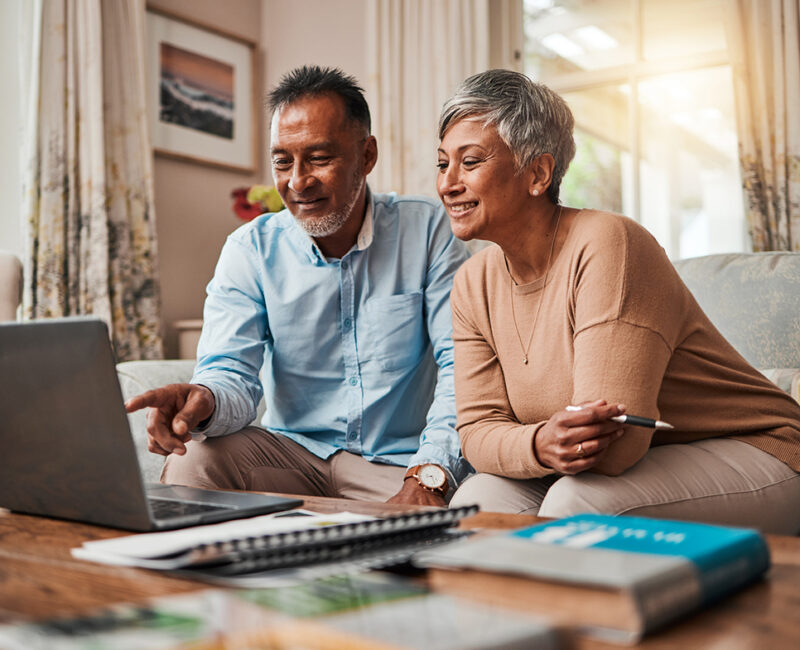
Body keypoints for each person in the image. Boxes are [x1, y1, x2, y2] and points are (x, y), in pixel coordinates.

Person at [439, 69, 800, 534]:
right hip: (632, 463)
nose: (448, 183)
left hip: (760, 449)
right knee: (475, 503)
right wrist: (539, 444)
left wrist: (540, 443)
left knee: (577, 504)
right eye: (442, 163)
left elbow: (614, 448)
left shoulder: (610, 243)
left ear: (538, 173)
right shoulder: (472, 283)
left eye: (469, 163)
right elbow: (476, 432)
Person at [126, 66, 471, 506]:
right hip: (291, 458)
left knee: (472, 506)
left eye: (320, 158)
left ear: (366, 156)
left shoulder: (427, 230)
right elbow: (231, 372)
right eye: (282, 161)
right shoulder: (250, 249)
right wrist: (203, 398)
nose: (298, 181)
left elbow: (463, 366)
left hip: (399, 465)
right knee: (195, 459)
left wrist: (428, 476)